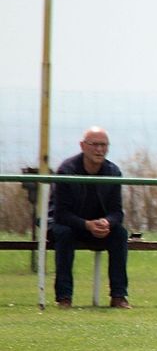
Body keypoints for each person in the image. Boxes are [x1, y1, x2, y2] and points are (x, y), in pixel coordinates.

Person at [48, 126, 130, 309]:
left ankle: (119, 296)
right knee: (64, 234)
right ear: (82, 146)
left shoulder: (113, 172)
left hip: (98, 227)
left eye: (104, 145)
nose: (99, 150)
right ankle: (64, 298)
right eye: (94, 144)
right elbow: (60, 214)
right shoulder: (66, 170)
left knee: (120, 234)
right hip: (68, 225)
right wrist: (86, 225)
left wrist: (107, 222)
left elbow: (117, 212)